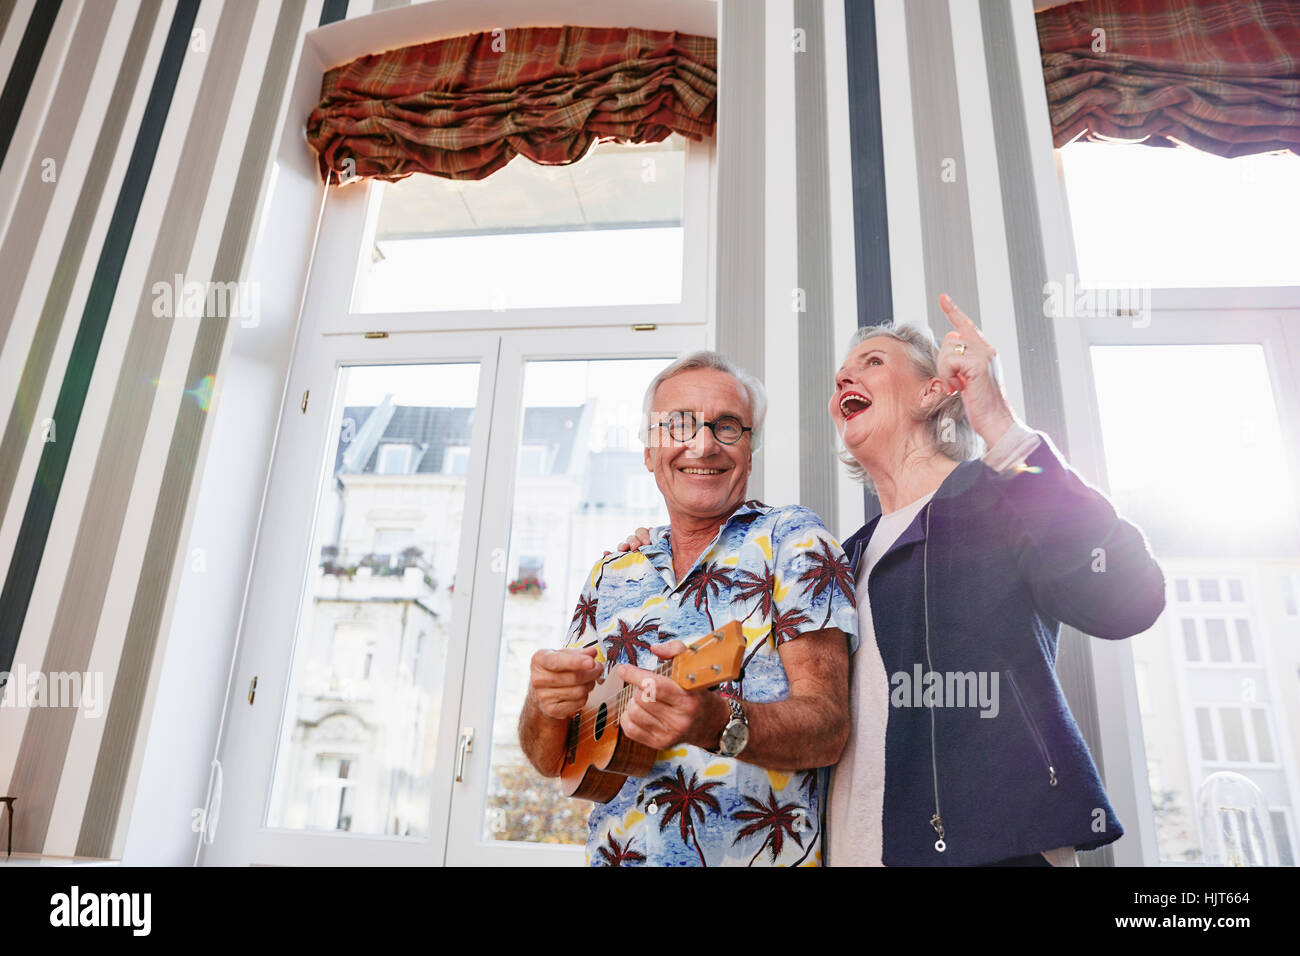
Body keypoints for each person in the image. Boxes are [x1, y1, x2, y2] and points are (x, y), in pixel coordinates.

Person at [616, 296, 1165, 867]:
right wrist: (656, 555)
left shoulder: (999, 494)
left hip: (992, 851)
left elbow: (1130, 598)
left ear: (934, 392)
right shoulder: (843, 555)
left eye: (874, 361)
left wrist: (999, 424)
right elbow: (799, 701)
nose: (846, 376)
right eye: (840, 376)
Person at [518, 351, 857, 866]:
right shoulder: (611, 573)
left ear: (749, 449)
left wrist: (717, 721)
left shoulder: (795, 542)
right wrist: (543, 703)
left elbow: (829, 729)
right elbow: (554, 762)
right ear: (650, 451)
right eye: (678, 425)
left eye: (727, 427)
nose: (703, 445)